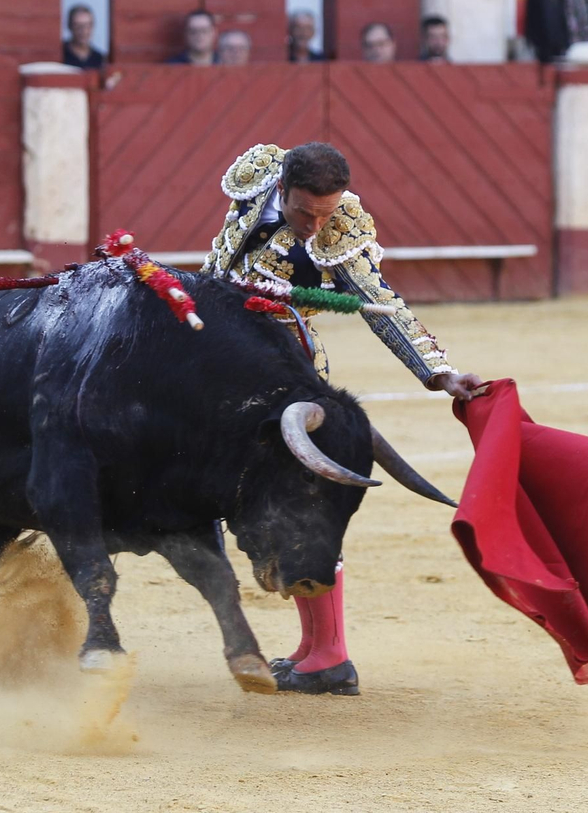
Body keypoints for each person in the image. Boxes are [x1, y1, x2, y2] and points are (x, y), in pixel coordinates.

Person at [199, 141, 484, 695]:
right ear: (281, 189)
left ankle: (330, 655)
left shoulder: (340, 227)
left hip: (286, 376)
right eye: (305, 213)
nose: (314, 226)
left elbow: (383, 304)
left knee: (301, 505)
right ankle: (309, 649)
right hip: (216, 364)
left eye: (325, 214)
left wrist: (440, 374)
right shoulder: (257, 174)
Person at [61, 3, 107, 70]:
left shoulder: (100, 59)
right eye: (78, 26)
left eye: (88, 25)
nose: (84, 31)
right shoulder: (60, 54)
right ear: (69, 26)